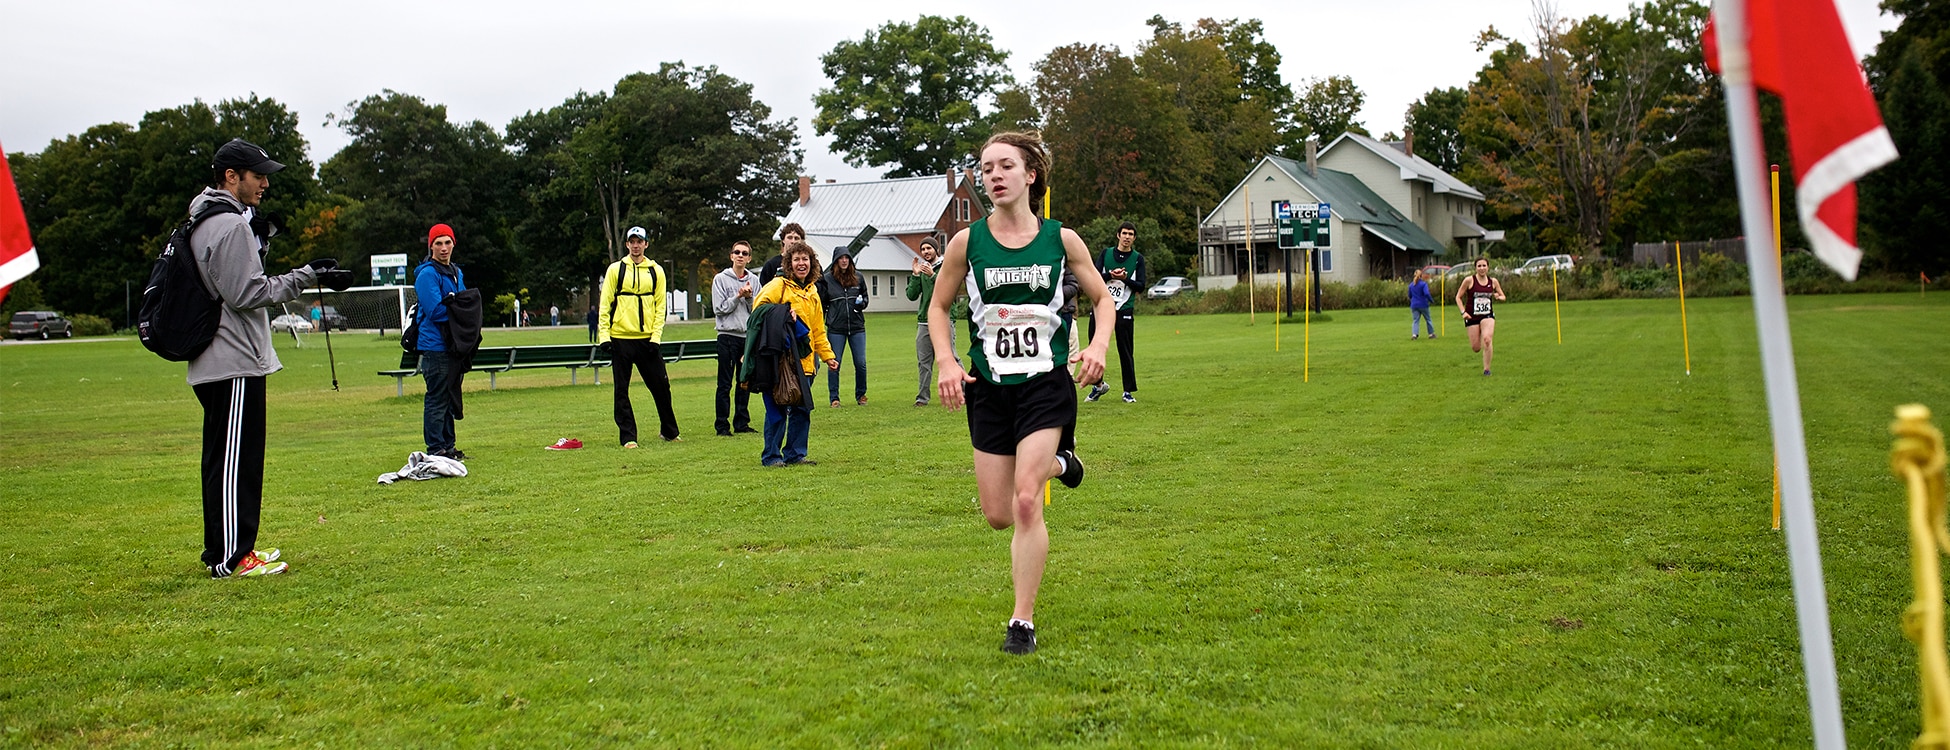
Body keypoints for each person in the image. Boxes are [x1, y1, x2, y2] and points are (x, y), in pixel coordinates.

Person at [929, 130, 1113, 655]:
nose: (994, 176)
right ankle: (1065, 463)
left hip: (1046, 384)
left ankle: (1022, 621)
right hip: (989, 387)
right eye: (986, 169)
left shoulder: (1062, 239)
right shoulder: (967, 242)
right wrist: (945, 359)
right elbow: (938, 308)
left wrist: (1098, 347)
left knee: (1027, 499)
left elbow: (1102, 300)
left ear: (1030, 174)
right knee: (999, 513)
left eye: (1005, 166)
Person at [186, 138, 345, 578]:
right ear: (231, 176)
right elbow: (248, 293)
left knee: (223, 459)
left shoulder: (204, 216)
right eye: (258, 175)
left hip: (216, 359)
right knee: (237, 461)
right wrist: (307, 275)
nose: (266, 183)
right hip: (232, 357)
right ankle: (234, 558)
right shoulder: (228, 224)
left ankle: (226, 549)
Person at [754, 241, 839, 466]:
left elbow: (818, 329)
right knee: (778, 406)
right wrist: (782, 313)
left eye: (805, 259)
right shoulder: (777, 286)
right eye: (797, 259)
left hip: (806, 362)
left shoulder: (812, 291)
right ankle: (771, 456)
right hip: (782, 361)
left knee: (802, 409)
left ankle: (795, 454)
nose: (801, 263)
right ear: (789, 263)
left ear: (812, 264)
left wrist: (828, 356)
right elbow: (758, 311)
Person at [599, 226, 681, 446]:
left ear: (646, 244)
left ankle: (670, 431)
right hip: (620, 338)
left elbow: (660, 306)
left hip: (647, 340)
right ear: (627, 244)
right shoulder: (616, 270)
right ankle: (628, 437)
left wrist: (656, 337)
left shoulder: (656, 271)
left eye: (640, 242)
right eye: (632, 242)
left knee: (661, 387)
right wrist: (604, 336)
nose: (636, 246)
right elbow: (605, 304)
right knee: (621, 390)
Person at [415, 223, 470, 460]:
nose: (444, 248)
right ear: (431, 246)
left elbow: (464, 302)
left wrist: (456, 305)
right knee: (437, 398)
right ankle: (435, 448)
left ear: (454, 244)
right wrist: (456, 306)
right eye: (438, 243)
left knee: (449, 398)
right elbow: (435, 310)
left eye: (447, 242)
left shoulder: (456, 272)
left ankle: (449, 446)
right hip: (435, 346)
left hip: (452, 345)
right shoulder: (428, 274)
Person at [1084, 221, 1144, 404]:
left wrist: (1125, 279)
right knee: (1094, 347)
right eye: (1124, 233)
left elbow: (1141, 285)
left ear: (1134, 238)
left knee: (1125, 350)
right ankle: (1098, 385)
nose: (1127, 237)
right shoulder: (1106, 254)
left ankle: (1127, 391)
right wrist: (1110, 274)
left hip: (1124, 309)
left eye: (1131, 234)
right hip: (1101, 308)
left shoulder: (1137, 259)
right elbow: (1092, 276)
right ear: (1118, 235)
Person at [711, 240, 761, 436]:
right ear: (731, 256)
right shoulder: (720, 279)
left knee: (744, 381)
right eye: (737, 252)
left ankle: (741, 423)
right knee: (724, 383)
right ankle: (722, 425)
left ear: (749, 258)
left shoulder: (755, 281)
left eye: (744, 253)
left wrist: (749, 297)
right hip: (726, 336)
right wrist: (738, 296)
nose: (740, 256)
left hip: (746, 338)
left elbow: (757, 310)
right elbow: (719, 309)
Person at [905, 238, 958, 406]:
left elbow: (950, 290)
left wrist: (933, 276)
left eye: (929, 248)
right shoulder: (922, 270)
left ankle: (965, 390)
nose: (926, 252)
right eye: (923, 249)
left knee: (952, 358)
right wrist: (915, 275)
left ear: (936, 249)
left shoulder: (945, 267)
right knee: (924, 362)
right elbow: (911, 295)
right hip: (924, 321)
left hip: (944, 319)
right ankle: (922, 398)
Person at [819, 249, 870, 407]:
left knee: (860, 363)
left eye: (847, 258)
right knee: (835, 363)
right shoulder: (827, 280)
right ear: (835, 261)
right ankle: (834, 398)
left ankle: (861, 395)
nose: (844, 261)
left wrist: (862, 303)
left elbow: (866, 298)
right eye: (841, 258)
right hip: (836, 328)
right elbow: (822, 303)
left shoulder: (858, 277)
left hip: (857, 327)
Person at [1455, 257, 1506, 375]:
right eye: (1479, 266)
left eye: (1484, 266)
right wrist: (1463, 312)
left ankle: (1487, 369)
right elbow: (1458, 297)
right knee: (1476, 347)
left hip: (1487, 315)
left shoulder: (1493, 282)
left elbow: (1503, 296)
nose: (1482, 268)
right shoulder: (1469, 280)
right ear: (1475, 268)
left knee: (1487, 339)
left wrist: (1499, 297)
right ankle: (1482, 347)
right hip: (1471, 316)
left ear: (1488, 267)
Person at [760, 222, 807, 289]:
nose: (793, 241)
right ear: (783, 240)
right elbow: (763, 289)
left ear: (802, 241)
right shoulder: (771, 265)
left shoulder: (809, 264)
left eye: (796, 238)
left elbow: (821, 289)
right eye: (789, 237)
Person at [1408, 269, 1435, 339]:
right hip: (1423, 304)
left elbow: (1409, 295)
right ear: (1421, 276)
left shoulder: (1411, 285)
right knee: (1428, 319)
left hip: (1414, 305)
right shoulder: (1423, 284)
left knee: (1415, 320)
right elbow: (1426, 293)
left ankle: (1414, 334)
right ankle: (1431, 334)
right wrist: (1431, 300)